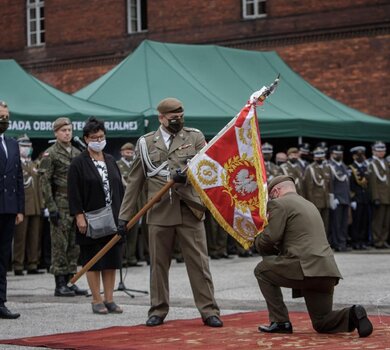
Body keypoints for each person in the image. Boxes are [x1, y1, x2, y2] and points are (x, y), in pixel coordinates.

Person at [118, 97, 222, 327]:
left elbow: (208, 170)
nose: (178, 121)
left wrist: (190, 176)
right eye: (173, 118)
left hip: (189, 210)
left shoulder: (194, 136)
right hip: (159, 212)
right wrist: (124, 217)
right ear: (161, 118)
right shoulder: (146, 143)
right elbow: (134, 182)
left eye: (181, 117)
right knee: (158, 264)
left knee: (199, 263)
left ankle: (209, 310)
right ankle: (157, 309)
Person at [254, 175, 373, 337]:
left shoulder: (278, 204)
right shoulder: (309, 204)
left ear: (276, 191)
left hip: (304, 269)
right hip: (326, 270)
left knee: (261, 270)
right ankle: (352, 314)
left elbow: (270, 238)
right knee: (322, 321)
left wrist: (255, 239)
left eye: (271, 195)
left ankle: (280, 322)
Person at [68, 117, 124, 314]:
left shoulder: (110, 159)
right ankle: (96, 299)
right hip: (91, 218)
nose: (98, 140)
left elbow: (119, 188)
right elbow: (73, 192)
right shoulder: (78, 163)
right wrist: (78, 216)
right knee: (93, 259)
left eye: (101, 136)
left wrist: (123, 215)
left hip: (113, 217)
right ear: (86, 139)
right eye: (94, 137)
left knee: (111, 259)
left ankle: (109, 299)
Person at [39, 117, 87, 297]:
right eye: (63, 130)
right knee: (60, 243)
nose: (67, 133)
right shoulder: (50, 154)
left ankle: (71, 280)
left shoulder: (77, 152)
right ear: (56, 133)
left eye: (69, 130)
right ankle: (59, 283)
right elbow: (44, 182)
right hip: (59, 202)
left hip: (76, 204)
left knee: (74, 244)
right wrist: (51, 208)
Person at [0, 100, 24, 319]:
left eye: (6, 116)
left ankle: (0, 302)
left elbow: (18, 178)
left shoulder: (12, 143)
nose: (4, 120)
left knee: (3, 256)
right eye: (1, 116)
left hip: (8, 208)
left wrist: (19, 208)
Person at [13, 134, 44, 275]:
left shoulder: (33, 164)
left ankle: (33, 263)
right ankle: (18, 265)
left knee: (34, 237)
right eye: (24, 146)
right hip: (23, 206)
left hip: (36, 205)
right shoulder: (15, 164)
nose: (28, 149)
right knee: (20, 237)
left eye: (29, 146)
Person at [117, 142, 141, 267]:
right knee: (123, 231)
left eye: (131, 152)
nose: (129, 154)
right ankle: (123, 259)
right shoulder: (118, 165)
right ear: (122, 152)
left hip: (136, 203)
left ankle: (131, 257)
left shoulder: (135, 165)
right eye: (127, 152)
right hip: (124, 203)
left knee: (134, 232)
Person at [302, 147, 332, 238]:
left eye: (321, 156)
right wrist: (311, 202)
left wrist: (331, 198)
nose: (320, 158)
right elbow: (308, 188)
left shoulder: (327, 167)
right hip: (315, 201)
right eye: (317, 156)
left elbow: (329, 184)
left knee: (326, 223)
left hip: (325, 200)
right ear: (314, 157)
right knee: (315, 223)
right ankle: (316, 241)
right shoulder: (310, 168)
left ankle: (324, 241)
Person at [328, 145, 351, 251]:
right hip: (336, 198)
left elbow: (347, 184)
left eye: (340, 153)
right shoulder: (329, 166)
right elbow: (329, 183)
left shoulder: (344, 166)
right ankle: (337, 244)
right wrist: (332, 196)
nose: (339, 155)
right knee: (336, 223)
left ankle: (343, 243)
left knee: (344, 223)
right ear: (332, 154)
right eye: (337, 153)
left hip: (345, 198)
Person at [368, 141, 390, 249]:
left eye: (383, 150)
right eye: (379, 151)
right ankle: (377, 240)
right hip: (380, 196)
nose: (381, 153)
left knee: (387, 220)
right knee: (378, 220)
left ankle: (383, 239)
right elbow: (373, 182)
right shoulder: (372, 163)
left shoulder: (385, 163)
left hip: (388, 196)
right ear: (374, 151)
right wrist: (375, 197)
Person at [348, 146, 370, 250]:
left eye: (362, 155)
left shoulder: (365, 168)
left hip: (364, 198)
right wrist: (352, 199)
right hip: (356, 198)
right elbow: (350, 185)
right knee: (356, 221)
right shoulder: (351, 168)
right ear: (354, 156)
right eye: (358, 155)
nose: (361, 157)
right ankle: (355, 241)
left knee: (364, 221)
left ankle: (362, 241)